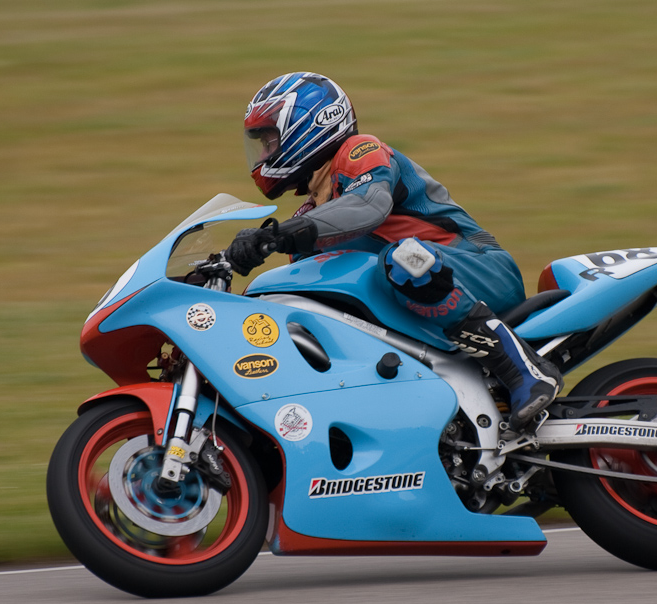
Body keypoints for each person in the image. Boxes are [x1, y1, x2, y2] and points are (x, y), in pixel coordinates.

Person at [226, 72, 561, 432]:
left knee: (402, 260)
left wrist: (277, 235)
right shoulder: (310, 215)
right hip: (421, 298)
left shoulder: (360, 153)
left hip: (479, 268)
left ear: (308, 127)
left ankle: (525, 369)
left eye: (270, 140)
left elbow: (368, 206)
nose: (263, 154)